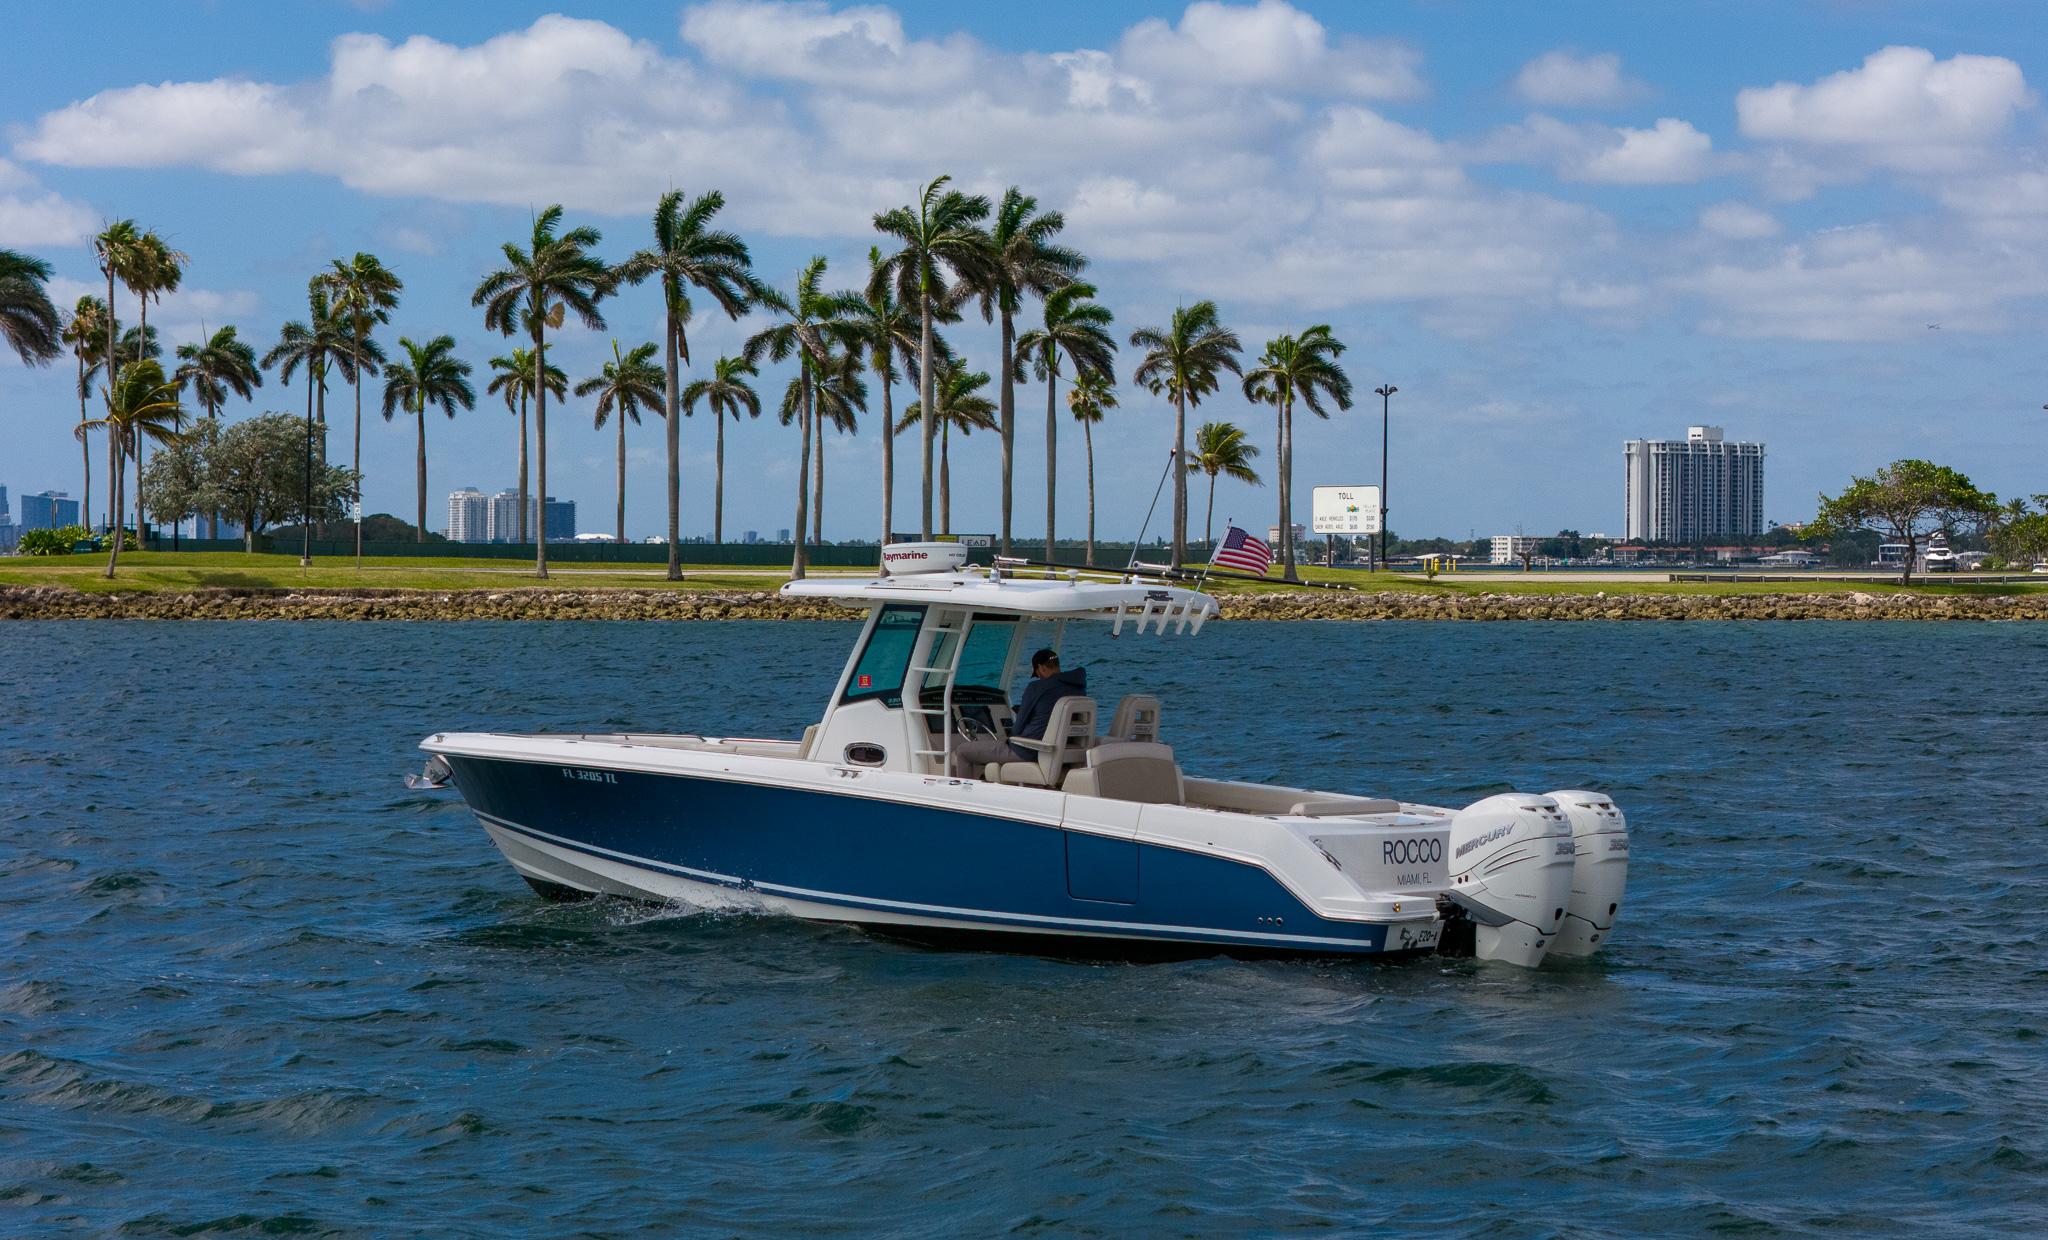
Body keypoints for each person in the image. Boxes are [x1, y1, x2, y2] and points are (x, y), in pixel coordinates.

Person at [949, 648, 1088, 777]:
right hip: (1060, 750)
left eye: (1037, 673)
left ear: (1041, 667)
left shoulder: (1036, 687)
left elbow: (1018, 727)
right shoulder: (1078, 687)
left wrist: (1011, 734)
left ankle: (966, 797)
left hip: (1028, 750)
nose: (1038, 677)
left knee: (963, 751)